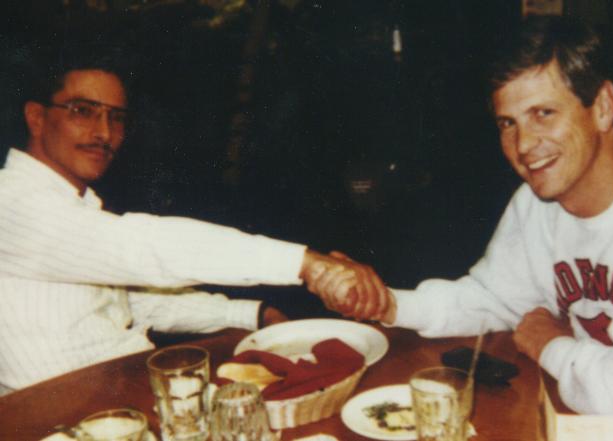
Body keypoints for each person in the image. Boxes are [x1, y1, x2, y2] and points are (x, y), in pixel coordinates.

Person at [316, 17, 613, 432]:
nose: (524, 145)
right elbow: (492, 299)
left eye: (543, 114)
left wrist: (550, 344)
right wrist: (387, 304)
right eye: (507, 123)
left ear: (603, 107)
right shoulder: (538, 202)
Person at [0, 49, 383, 394]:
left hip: (120, 390)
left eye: (116, 117)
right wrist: (306, 263)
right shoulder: (11, 202)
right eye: (83, 111)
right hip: (53, 416)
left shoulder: (74, 206)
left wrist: (251, 314)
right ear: (36, 117)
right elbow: (145, 248)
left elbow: (134, 302)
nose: (104, 133)